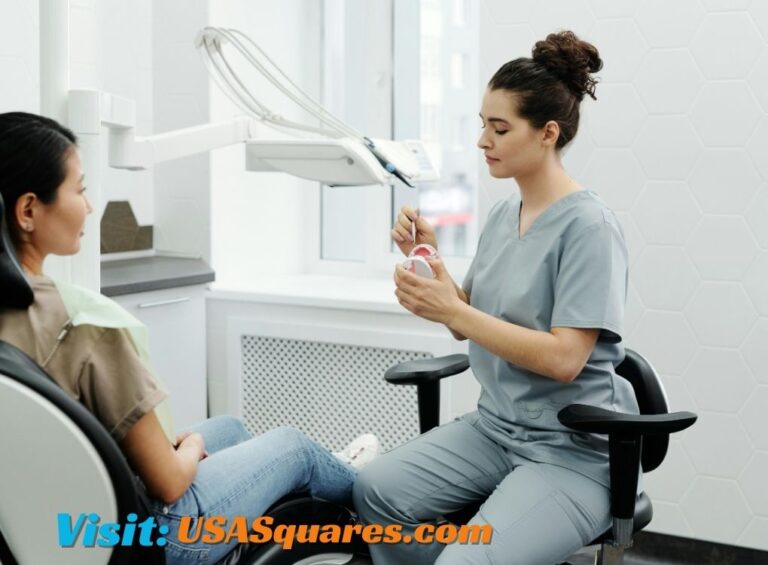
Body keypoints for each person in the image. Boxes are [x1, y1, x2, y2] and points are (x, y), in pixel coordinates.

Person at [0, 111, 371, 564]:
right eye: (79, 189)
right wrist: (190, 448)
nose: (89, 206)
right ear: (28, 210)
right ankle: (369, 490)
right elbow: (171, 484)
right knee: (295, 448)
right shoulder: (85, 325)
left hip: (43, 520)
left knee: (231, 428)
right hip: (150, 536)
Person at [354, 31, 641, 564]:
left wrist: (454, 308)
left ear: (547, 134)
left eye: (500, 128)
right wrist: (435, 268)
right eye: (482, 125)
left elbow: (564, 359)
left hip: (570, 453)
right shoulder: (500, 216)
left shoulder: (589, 227)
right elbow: (468, 324)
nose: (482, 141)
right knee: (373, 492)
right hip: (495, 429)